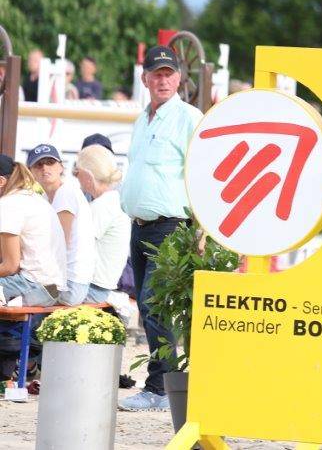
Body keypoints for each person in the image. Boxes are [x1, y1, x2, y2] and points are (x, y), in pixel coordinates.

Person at [118, 45, 203, 412]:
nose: (163, 80)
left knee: (155, 305)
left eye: (169, 74)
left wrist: (201, 228)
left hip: (171, 225)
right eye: (157, 74)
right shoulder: (142, 120)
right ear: (145, 79)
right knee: (148, 305)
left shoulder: (189, 118)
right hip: (140, 226)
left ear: (179, 78)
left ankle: (160, 387)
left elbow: (203, 172)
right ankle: (164, 385)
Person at [27, 144, 96, 305]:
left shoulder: (65, 193)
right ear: (31, 172)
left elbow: (59, 245)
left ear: (61, 167)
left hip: (69, 285)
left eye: (50, 162)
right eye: (39, 164)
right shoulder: (45, 198)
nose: (45, 168)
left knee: (12, 296)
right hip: (61, 281)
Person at [0, 155, 65, 306]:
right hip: (52, 288)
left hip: (35, 287)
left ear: (1, 181)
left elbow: (11, 266)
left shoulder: (8, 204)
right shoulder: (31, 197)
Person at [74, 145, 131, 303]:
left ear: (88, 175)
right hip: (97, 287)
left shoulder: (102, 206)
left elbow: (76, 246)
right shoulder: (112, 201)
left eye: (77, 172)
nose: (76, 177)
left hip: (92, 289)